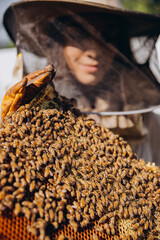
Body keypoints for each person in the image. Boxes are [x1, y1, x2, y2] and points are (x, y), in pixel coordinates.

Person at [3, 0, 160, 164]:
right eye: (78, 35)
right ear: (56, 43)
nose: (94, 51)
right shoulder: (22, 118)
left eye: (107, 37)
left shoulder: (149, 124)